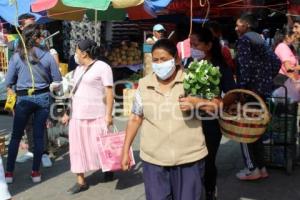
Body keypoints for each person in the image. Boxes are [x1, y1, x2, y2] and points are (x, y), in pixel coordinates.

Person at [121, 39, 221, 200]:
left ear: (176, 59)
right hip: (154, 161)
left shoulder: (193, 80)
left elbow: (218, 105)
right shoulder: (144, 85)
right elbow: (135, 118)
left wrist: (197, 102)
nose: (159, 64)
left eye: (164, 59)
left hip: (189, 159)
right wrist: (125, 150)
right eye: (156, 60)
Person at [4, 24, 62, 184]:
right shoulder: (48, 56)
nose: (43, 37)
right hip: (43, 98)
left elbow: (8, 81)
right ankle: (35, 172)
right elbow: (57, 80)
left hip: (23, 99)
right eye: (41, 35)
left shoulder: (17, 57)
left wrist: (14, 87)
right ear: (36, 38)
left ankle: (9, 173)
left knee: (16, 136)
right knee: (37, 136)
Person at [60, 39, 114, 194]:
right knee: (77, 149)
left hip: (97, 114)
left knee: (101, 146)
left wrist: (108, 115)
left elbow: (109, 92)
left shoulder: (103, 67)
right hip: (77, 116)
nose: (75, 54)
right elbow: (73, 93)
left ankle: (108, 167)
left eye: (77, 51)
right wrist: (67, 112)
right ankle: (81, 181)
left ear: (84, 53)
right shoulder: (77, 70)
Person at [190, 27, 236, 200]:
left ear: (208, 45)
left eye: (196, 44)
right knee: (190, 161)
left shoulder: (220, 66)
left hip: (210, 122)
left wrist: (219, 104)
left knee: (208, 160)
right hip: (189, 120)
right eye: (191, 44)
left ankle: (210, 192)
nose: (192, 48)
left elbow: (232, 93)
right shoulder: (188, 63)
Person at [235, 14, 281, 180]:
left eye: (238, 24)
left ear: (246, 25)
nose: (235, 28)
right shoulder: (261, 39)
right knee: (257, 132)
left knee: (244, 131)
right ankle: (261, 169)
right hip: (263, 92)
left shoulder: (244, 40)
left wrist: (241, 90)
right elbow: (277, 62)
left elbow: (245, 68)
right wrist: (267, 78)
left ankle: (252, 168)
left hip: (250, 93)